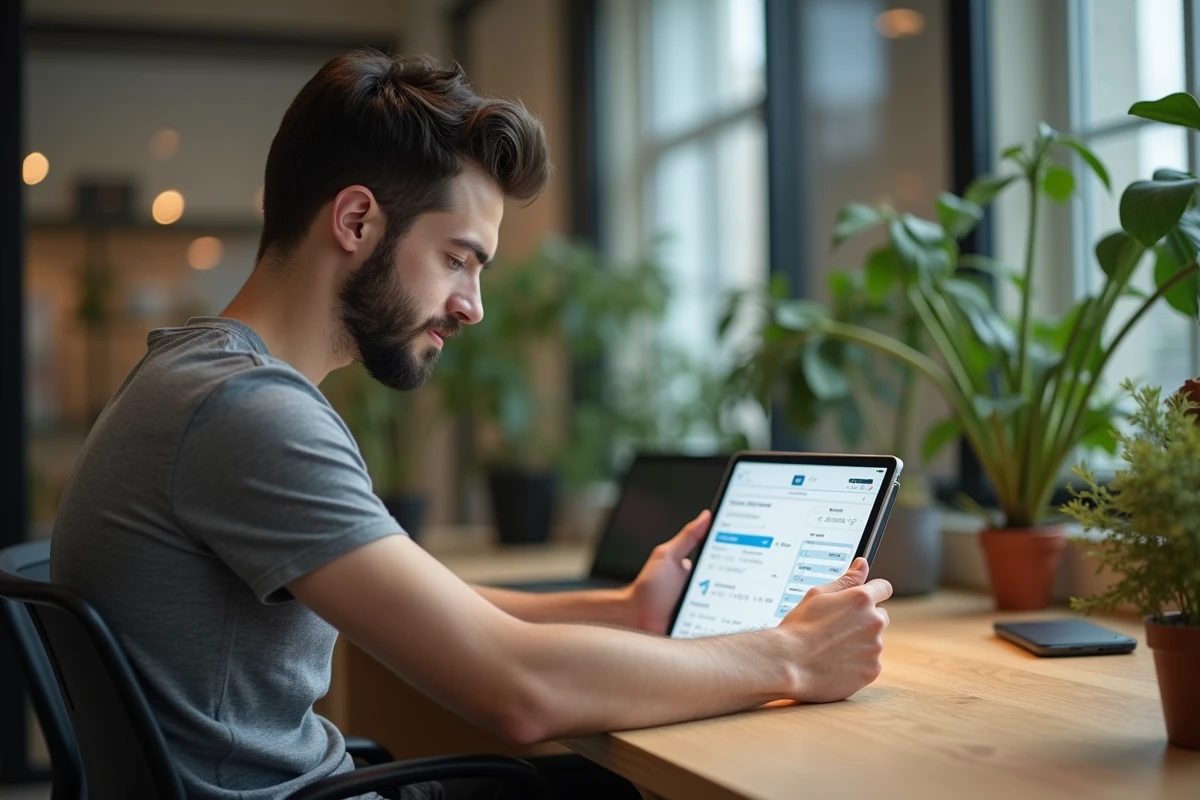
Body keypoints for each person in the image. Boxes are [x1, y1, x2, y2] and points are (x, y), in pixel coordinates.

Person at [50, 50, 892, 800]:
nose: (473, 306)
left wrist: (625, 613)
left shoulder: (199, 378)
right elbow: (517, 692)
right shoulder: (247, 412)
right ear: (355, 222)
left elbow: (443, 608)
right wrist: (791, 659)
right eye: (458, 258)